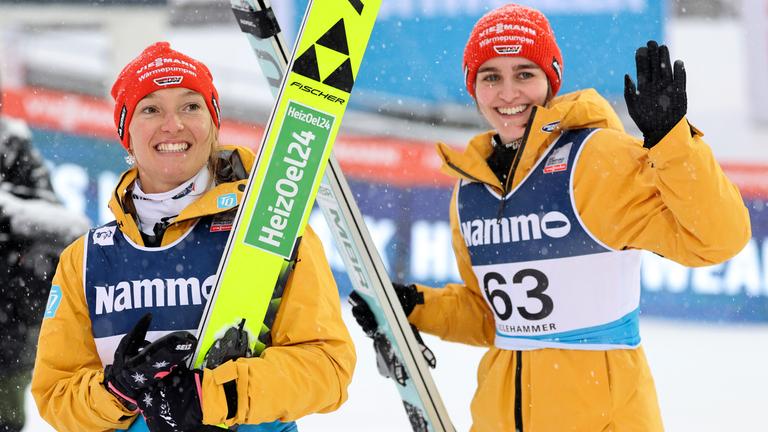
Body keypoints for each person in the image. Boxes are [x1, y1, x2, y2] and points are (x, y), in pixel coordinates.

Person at [350, 4, 751, 431]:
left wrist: (671, 140)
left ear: (551, 81)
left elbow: (718, 238)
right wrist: (416, 306)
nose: (508, 94)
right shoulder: (472, 189)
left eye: (525, 74)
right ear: (473, 88)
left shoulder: (595, 159)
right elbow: (495, 319)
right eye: (491, 77)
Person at [31, 42, 355, 432]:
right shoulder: (86, 259)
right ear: (126, 132)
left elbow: (328, 368)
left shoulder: (269, 226)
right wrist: (117, 390)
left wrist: (213, 396)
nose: (174, 125)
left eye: (191, 106)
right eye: (151, 109)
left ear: (213, 123)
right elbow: (55, 395)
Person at [0, 75, 89, 432]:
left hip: (12, 331)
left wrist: (8, 216)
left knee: (7, 420)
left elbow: (70, 228)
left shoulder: (11, 142)